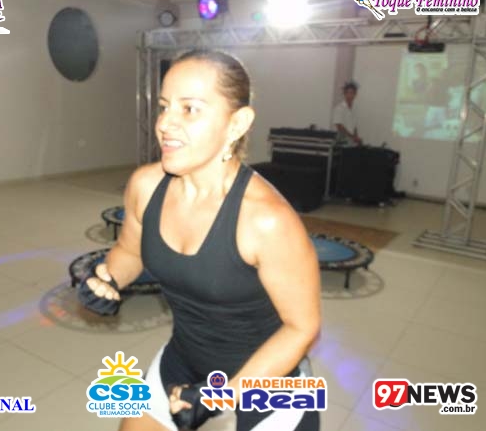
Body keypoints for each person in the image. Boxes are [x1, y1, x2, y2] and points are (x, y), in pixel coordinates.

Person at [81, 49, 321, 431]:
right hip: (184, 360)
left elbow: (302, 328)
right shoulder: (146, 185)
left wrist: (219, 398)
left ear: (237, 123)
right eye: (164, 107)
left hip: (266, 382)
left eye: (189, 109)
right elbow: (129, 250)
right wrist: (109, 279)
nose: (165, 123)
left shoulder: (267, 220)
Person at [332, 81, 362, 145]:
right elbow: (339, 126)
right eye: (348, 93)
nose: (350, 95)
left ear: (355, 94)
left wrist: (356, 137)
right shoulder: (339, 108)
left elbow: (354, 126)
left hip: (351, 140)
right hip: (342, 140)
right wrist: (352, 136)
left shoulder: (355, 109)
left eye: (352, 93)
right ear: (345, 94)